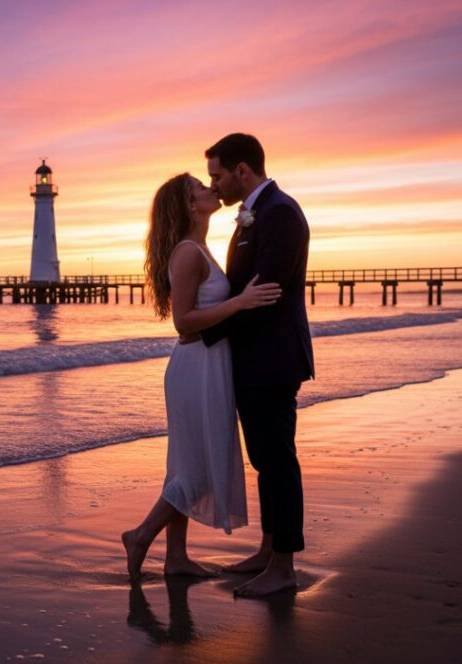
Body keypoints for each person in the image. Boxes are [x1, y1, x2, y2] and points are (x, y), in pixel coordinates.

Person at [121, 173, 282, 584]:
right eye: (200, 187)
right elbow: (184, 323)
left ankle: (176, 557)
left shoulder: (198, 248)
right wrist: (241, 303)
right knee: (197, 471)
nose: (212, 188)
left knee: (186, 464)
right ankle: (140, 536)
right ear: (190, 206)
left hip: (206, 364)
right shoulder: (189, 253)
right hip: (197, 366)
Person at [201, 133, 315, 597]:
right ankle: (268, 550)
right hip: (253, 358)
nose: (216, 185)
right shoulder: (255, 215)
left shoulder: (280, 214)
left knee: (277, 461)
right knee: (264, 460)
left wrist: (203, 332)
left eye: (218, 175)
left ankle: (284, 566)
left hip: (272, 358)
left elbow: (265, 295)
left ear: (242, 169)